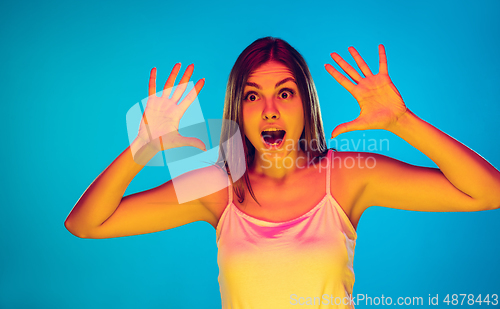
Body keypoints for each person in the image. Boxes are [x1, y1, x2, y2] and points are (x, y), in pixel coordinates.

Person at [64, 37, 500, 309]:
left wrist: (403, 122)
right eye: (253, 96)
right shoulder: (217, 187)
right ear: (238, 109)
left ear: (305, 103)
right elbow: (85, 224)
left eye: (284, 93)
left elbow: (488, 193)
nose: (269, 110)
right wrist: (140, 150)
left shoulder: (346, 175)